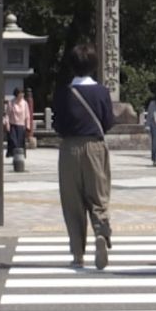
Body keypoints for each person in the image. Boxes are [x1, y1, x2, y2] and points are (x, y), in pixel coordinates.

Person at [52, 43, 116, 269]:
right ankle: (101, 232)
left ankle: (78, 253)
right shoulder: (101, 92)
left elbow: (57, 124)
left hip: (69, 148)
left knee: (72, 202)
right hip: (95, 147)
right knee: (99, 195)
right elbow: (108, 121)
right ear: (94, 66)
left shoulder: (63, 92)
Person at [6, 88, 30, 159]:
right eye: (20, 93)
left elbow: (27, 115)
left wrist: (27, 126)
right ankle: (13, 154)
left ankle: (19, 156)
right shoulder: (11, 103)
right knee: (13, 141)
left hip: (21, 125)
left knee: (20, 142)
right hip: (13, 124)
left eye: (23, 93)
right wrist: (7, 124)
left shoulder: (25, 103)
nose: (22, 95)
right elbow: (7, 114)